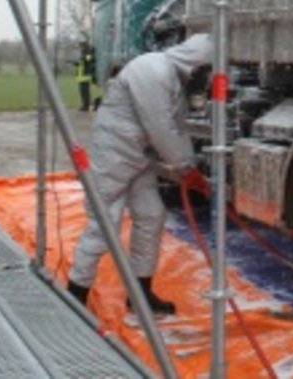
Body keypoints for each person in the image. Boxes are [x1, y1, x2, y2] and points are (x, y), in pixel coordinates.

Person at [66, 33, 213, 315]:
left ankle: (140, 294)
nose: (205, 80)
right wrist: (186, 168)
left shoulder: (174, 80)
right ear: (196, 64)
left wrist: (191, 166)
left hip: (138, 156)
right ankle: (76, 294)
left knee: (151, 215)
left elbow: (177, 128)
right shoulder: (153, 70)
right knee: (104, 223)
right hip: (113, 152)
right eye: (206, 71)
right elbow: (160, 127)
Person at [73, 42, 97, 112]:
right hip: (81, 76)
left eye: (82, 46)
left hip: (85, 76)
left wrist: (81, 58)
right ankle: (84, 105)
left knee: (85, 92)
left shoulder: (88, 53)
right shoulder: (83, 54)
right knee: (82, 92)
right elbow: (81, 62)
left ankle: (86, 106)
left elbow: (88, 59)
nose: (81, 48)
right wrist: (76, 62)